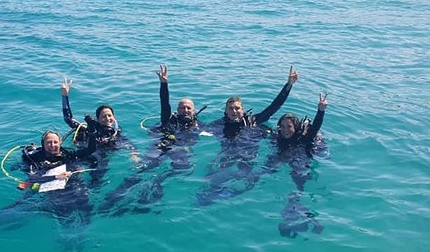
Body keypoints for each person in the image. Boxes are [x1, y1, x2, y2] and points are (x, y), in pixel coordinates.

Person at [99, 64, 203, 215]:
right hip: (161, 146)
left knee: (184, 168)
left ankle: (156, 184)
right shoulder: (169, 120)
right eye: (182, 107)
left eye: (188, 108)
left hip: (179, 149)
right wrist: (164, 84)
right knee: (142, 169)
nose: (185, 110)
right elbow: (164, 104)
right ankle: (114, 197)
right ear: (177, 109)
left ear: (194, 110)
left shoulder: (200, 125)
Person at [196, 65, 299, 206]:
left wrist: (288, 85)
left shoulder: (254, 121)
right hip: (227, 154)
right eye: (231, 108)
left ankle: (227, 195)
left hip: (248, 156)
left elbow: (274, 106)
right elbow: (195, 131)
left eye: (237, 108)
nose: (234, 111)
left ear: (243, 110)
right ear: (226, 112)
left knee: (248, 180)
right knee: (212, 176)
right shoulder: (218, 125)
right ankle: (209, 196)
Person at [0, 128, 98, 235]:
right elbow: (34, 178)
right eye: (49, 142)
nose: (52, 145)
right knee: (65, 215)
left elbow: (90, 150)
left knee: (86, 209)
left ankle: (84, 233)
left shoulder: (68, 155)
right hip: (52, 190)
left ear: (60, 142)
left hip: (72, 186)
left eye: (55, 142)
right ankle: (67, 239)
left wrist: (92, 133)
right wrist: (55, 176)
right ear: (43, 144)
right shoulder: (35, 160)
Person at [262, 93, 329, 238]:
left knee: (297, 175)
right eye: (283, 126)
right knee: (266, 169)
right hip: (285, 155)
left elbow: (316, 126)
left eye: (289, 126)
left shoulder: (304, 138)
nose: (285, 129)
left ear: (295, 127)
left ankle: (304, 211)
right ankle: (295, 207)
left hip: (300, 157)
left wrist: (321, 110)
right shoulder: (277, 136)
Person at [61, 78, 139, 187]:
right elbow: (68, 119)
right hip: (83, 154)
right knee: (74, 178)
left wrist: (133, 154)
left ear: (114, 117)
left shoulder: (115, 132)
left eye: (109, 115)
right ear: (97, 119)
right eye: (103, 116)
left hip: (100, 158)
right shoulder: (89, 128)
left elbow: (128, 144)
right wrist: (65, 96)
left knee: (97, 181)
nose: (107, 118)